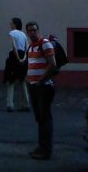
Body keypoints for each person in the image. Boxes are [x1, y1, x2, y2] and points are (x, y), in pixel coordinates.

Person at [25, 20, 57, 160]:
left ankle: (46, 149)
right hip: (33, 86)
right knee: (40, 118)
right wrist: (28, 78)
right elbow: (32, 64)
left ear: (38, 30)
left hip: (44, 86)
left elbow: (52, 64)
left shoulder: (45, 43)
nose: (32, 32)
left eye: (34, 30)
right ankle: (41, 146)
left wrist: (41, 79)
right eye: (30, 30)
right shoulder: (31, 47)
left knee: (45, 118)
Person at [4, 16, 30, 112]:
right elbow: (27, 47)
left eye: (11, 23)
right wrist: (23, 58)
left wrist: (18, 58)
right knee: (22, 80)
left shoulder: (12, 33)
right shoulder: (23, 34)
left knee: (11, 80)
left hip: (14, 57)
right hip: (23, 55)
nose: (10, 24)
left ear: (15, 24)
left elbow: (13, 46)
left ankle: (10, 104)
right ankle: (26, 104)